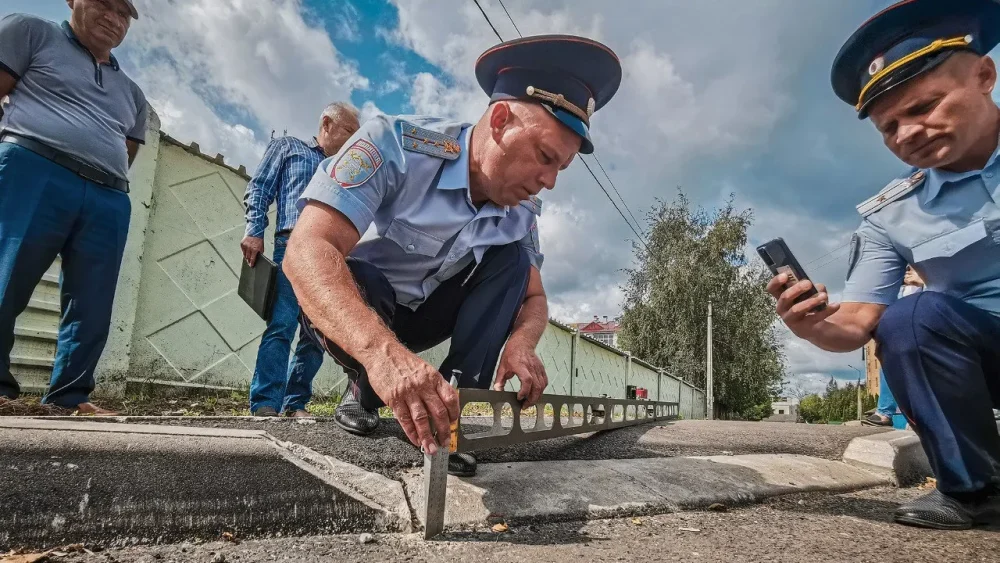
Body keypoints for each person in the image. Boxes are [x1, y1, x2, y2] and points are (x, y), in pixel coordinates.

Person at [283, 34, 622, 476]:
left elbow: (534, 298)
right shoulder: (397, 145)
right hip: (368, 311)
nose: (549, 181)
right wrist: (385, 357)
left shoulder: (522, 211)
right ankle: (366, 390)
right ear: (499, 120)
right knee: (358, 274)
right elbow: (307, 249)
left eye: (560, 168)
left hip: (429, 316)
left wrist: (522, 343)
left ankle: (455, 409)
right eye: (544, 157)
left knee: (514, 263)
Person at [769, 0, 1000, 530]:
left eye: (925, 107)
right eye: (889, 127)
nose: (907, 134)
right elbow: (856, 325)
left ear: (984, 75)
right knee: (910, 317)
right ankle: (975, 489)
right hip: (988, 354)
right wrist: (809, 323)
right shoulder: (890, 217)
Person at [0, 0, 146, 415]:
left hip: (108, 193)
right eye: (104, 5)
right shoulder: (29, 32)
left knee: (93, 301)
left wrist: (101, 173)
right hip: (33, 167)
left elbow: (128, 147)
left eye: (124, 14)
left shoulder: (132, 92)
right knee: (6, 276)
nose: (113, 19)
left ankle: (70, 395)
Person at [241, 103, 360, 417]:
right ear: (327, 123)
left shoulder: (343, 171)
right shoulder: (289, 147)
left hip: (332, 256)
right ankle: (266, 404)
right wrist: (254, 230)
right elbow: (260, 187)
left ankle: (295, 404)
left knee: (318, 335)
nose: (353, 141)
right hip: (292, 244)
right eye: (349, 131)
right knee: (281, 324)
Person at [863, 266, 924, 427]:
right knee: (888, 360)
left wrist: (924, 281)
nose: (908, 269)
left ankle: (921, 416)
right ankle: (884, 413)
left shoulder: (930, 276)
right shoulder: (897, 289)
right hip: (901, 334)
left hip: (925, 330)